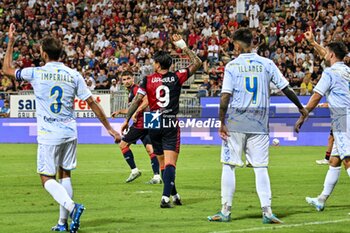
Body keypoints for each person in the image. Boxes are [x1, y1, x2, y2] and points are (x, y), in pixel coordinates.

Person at [2, 24, 121, 233]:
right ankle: (62, 223)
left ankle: (73, 208)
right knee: (65, 174)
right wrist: (110, 128)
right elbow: (92, 102)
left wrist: (10, 42)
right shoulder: (73, 74)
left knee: (46, 178)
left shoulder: (36, 72)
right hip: (70, 132)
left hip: (49, 134)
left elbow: (6, 70)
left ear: (44, 53)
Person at [207, 28, 308, 223]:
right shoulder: (267, 64)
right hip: (260, 123)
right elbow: (285, 88)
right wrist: (301, 108)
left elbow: (225, 96)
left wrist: (221, 122)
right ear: (252, 43)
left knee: (229, 166)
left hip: (236, 122)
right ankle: (267, 211)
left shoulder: (232, 66)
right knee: (261, 168)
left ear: (237, 45)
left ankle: (225, 211)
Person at [120, 34, 202, 208]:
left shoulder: (147, 80)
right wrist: (183, 46)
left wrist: (127, 119)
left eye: (153, 62)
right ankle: (165, 198)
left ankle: (175, 195)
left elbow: (136, 101)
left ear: (157, 64)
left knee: (162, 162)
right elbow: (197, 63)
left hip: (153, 120)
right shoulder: (177, 76)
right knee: (170, 162)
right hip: (170, 120)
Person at [295, 28, 350, 212]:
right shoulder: (346, 70)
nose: (324, 54)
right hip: (345, 116)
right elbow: (327, 54)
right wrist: (312, 43)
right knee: (334, 160)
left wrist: (303, 115)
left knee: (348, 160)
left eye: (327, 52)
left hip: (343, 117)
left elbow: (316, 96)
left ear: (332, 54)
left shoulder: (330, 73)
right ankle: (321, 199)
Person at [111, 71, 161, 184]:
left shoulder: (136, 89)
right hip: (148, 121)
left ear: (133, 79)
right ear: (121, 82)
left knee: (123, 145)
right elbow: (132, 109)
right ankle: (157, 177)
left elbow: (147, 100)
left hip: (141, 123)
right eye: (124, 79)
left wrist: (135, 113)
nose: (126, 81)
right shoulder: (131, 92)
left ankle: (134, 171)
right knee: (150, 149)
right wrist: (119, 111)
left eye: (128, 78)